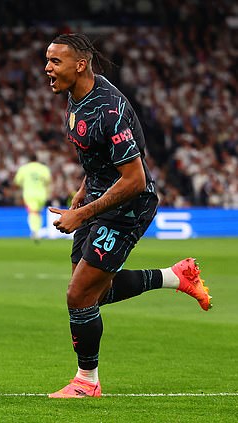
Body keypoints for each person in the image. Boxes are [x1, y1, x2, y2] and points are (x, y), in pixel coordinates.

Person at [43, 33, 212, 398]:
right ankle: (175, 276)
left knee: (79, 296)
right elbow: (99, 156)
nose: (48, 69)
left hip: (128, 206)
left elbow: (134, 179)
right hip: (100, 199)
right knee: (92, 294)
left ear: (80, 64)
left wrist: (82, 212)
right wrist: (83, 187)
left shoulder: (108, 108)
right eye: (48, 61)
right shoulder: (76, 98)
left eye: (55, 62)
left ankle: (86, 382)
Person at [13, 152, 51, 242]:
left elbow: (17, 181)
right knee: (37, 212)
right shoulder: (43, 168)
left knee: (32, 212)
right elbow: (48, 180)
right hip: (41, 193)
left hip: (29, 193)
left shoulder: (24, 168)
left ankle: (35, 231)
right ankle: (37, 230)